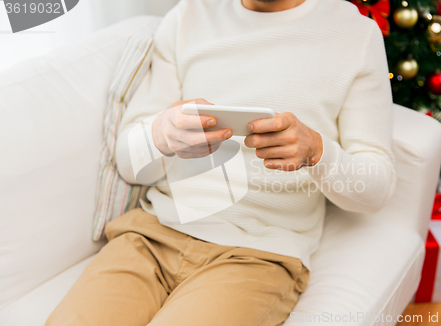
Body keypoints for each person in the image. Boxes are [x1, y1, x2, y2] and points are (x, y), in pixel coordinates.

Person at [46, 0, 396, 325]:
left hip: (258, 256)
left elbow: (377, 191)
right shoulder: (188, 16)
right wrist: (162, 134)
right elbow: (127, 162)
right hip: (152, 237)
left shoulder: (355, 36)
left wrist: (319, 152)